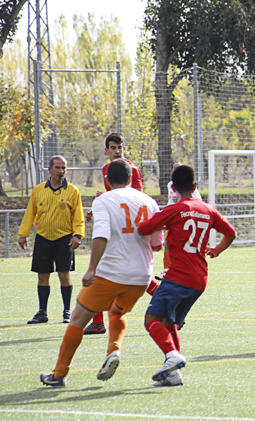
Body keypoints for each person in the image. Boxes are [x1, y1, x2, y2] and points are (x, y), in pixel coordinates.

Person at [39, 159, 163, 387]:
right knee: (116, 312)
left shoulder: (103, 200)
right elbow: (157, 245)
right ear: (130, 178)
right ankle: (114, 350)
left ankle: (59, 374)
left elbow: (101, 235)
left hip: (111, 273)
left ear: (107, 180)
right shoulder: (149, 201)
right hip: (142, 276)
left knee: (77, 319)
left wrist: (91, 269)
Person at [138, 165, 235, 386]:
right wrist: (217, 250)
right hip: (199, 279)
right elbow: (231, 233)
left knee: (151, 320)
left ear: (172, 188)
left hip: (178, 277)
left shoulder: (173, 210)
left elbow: (144, 229)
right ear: (195, 185)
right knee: (169, 321)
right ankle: (173, 375)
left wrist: (162, 223)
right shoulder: (208, 209)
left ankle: (172, 356)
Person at [84, 132, 147, 335]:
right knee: (115, 270)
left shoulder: (132, 170)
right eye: (113, 148)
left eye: (120, 147)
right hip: (114, 225)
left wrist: (106, 197)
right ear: (107, 150)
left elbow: (136, 198)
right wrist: (98, 208)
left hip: (128, 228)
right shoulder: (106, 169)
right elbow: (115, 199)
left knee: (109, 271)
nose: (117, 151)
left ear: (124, 149)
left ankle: (168, 305)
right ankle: (97, 321)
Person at [18, 155, 85, 324]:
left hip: (64, 239)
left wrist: (77, 235)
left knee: (64, 274)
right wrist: (23, 234)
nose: (61, 171)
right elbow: (31, 213)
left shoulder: (73, 191)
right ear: (50, 169)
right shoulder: (39, 190)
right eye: (58, 167)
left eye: (64, 168)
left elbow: (78, 216)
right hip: (43, 238)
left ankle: (67, 312)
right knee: (42, 276)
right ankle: (42, 312)